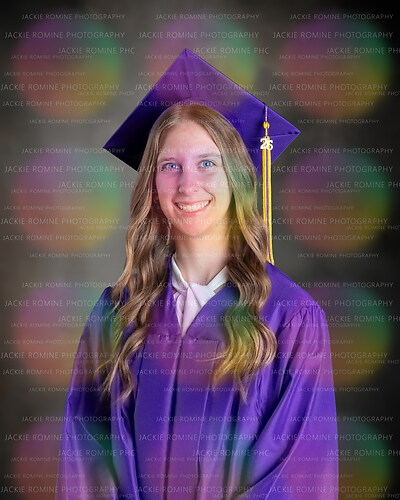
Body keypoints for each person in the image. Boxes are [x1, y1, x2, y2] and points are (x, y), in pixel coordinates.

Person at [55, 50, 338, 500]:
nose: (188, 185)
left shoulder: (291, 318)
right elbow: (86, 466)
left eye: (208, 163)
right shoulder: (116, 315)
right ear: (152, 185)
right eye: (171, 166)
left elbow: (299, 474)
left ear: (237, 178)